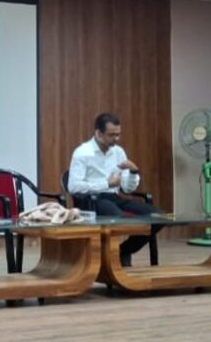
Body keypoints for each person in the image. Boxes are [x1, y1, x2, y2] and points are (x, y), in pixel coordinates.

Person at [67, 112, 162, 266]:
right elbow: (73, 186)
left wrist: (133, 172)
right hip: (92, 200)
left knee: (159, 217)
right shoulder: (82, 153)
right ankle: (106, 258)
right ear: (98, 133)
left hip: (114, 198)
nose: (116, 139)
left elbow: (127, 188)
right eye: (112, 135)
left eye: (118, 134)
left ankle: (122, 251)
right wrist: (106, 184)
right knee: (119, 218)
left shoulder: (118, 152)